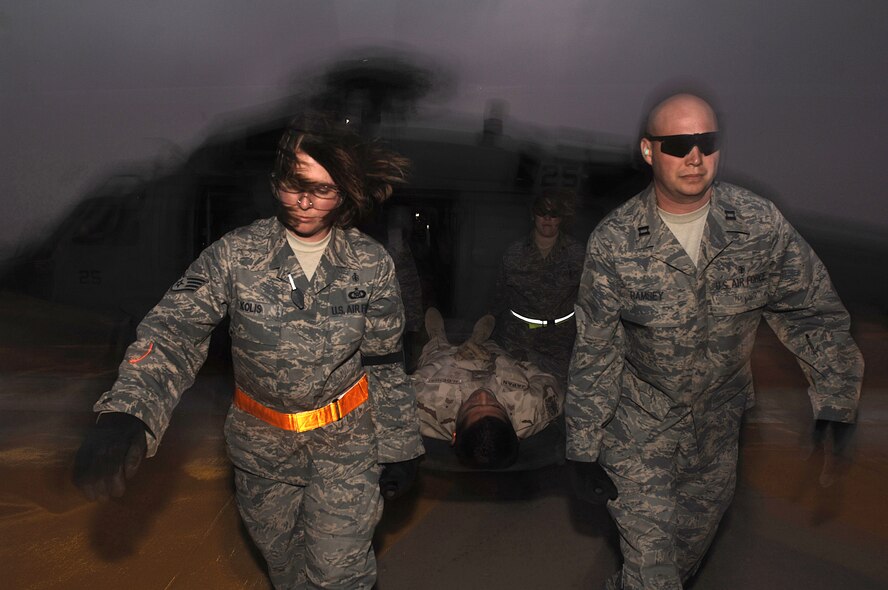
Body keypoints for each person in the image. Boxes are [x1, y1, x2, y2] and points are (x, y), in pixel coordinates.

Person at [72, 113, 425, 589]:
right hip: (261, 450)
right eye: (295, 183)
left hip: (346, 446)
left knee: (338, 575)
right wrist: (128, 412)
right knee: (285, 569)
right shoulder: (235, 256)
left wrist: (399, 445)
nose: (304, 200)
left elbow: (384, 361)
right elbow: (176, 329)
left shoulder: (370, 264)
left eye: (322, 190)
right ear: (276, 178)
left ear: (345, 194)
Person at [565, 93, 864, 589]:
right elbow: (596, 349)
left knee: (678, 564)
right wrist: (581, 445)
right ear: (648, 151)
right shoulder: (615, 241)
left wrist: (836, 399)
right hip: (639, 433)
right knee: (655, 576)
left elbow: (812, 311)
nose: (694, 157)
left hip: (717, 439)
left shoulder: (759, 225)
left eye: (706, 142)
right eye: (678, 144)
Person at [414, 307, 563, 469]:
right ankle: (481, 339)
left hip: (444, 366)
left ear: (454, 435)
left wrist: (452, 360)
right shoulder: (534, 410)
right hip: (493, 362)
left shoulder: (424, 409)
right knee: (495, 348)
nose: (483, 395)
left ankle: (437, 337)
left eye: (473, 406)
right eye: (494, 405)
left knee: (435, 351)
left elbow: (416, 378)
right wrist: (501, 361)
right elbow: (545, 379)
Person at [492, 189, 585, 386]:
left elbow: (589, 297)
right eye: (542, 212)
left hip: (562, 342)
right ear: (533, 215)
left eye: (554, 214)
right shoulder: (514, 253)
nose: (548, 219)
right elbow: (499, 295)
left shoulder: (577, 254)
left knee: (557, 397)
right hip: (519, 340)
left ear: (561, 218)